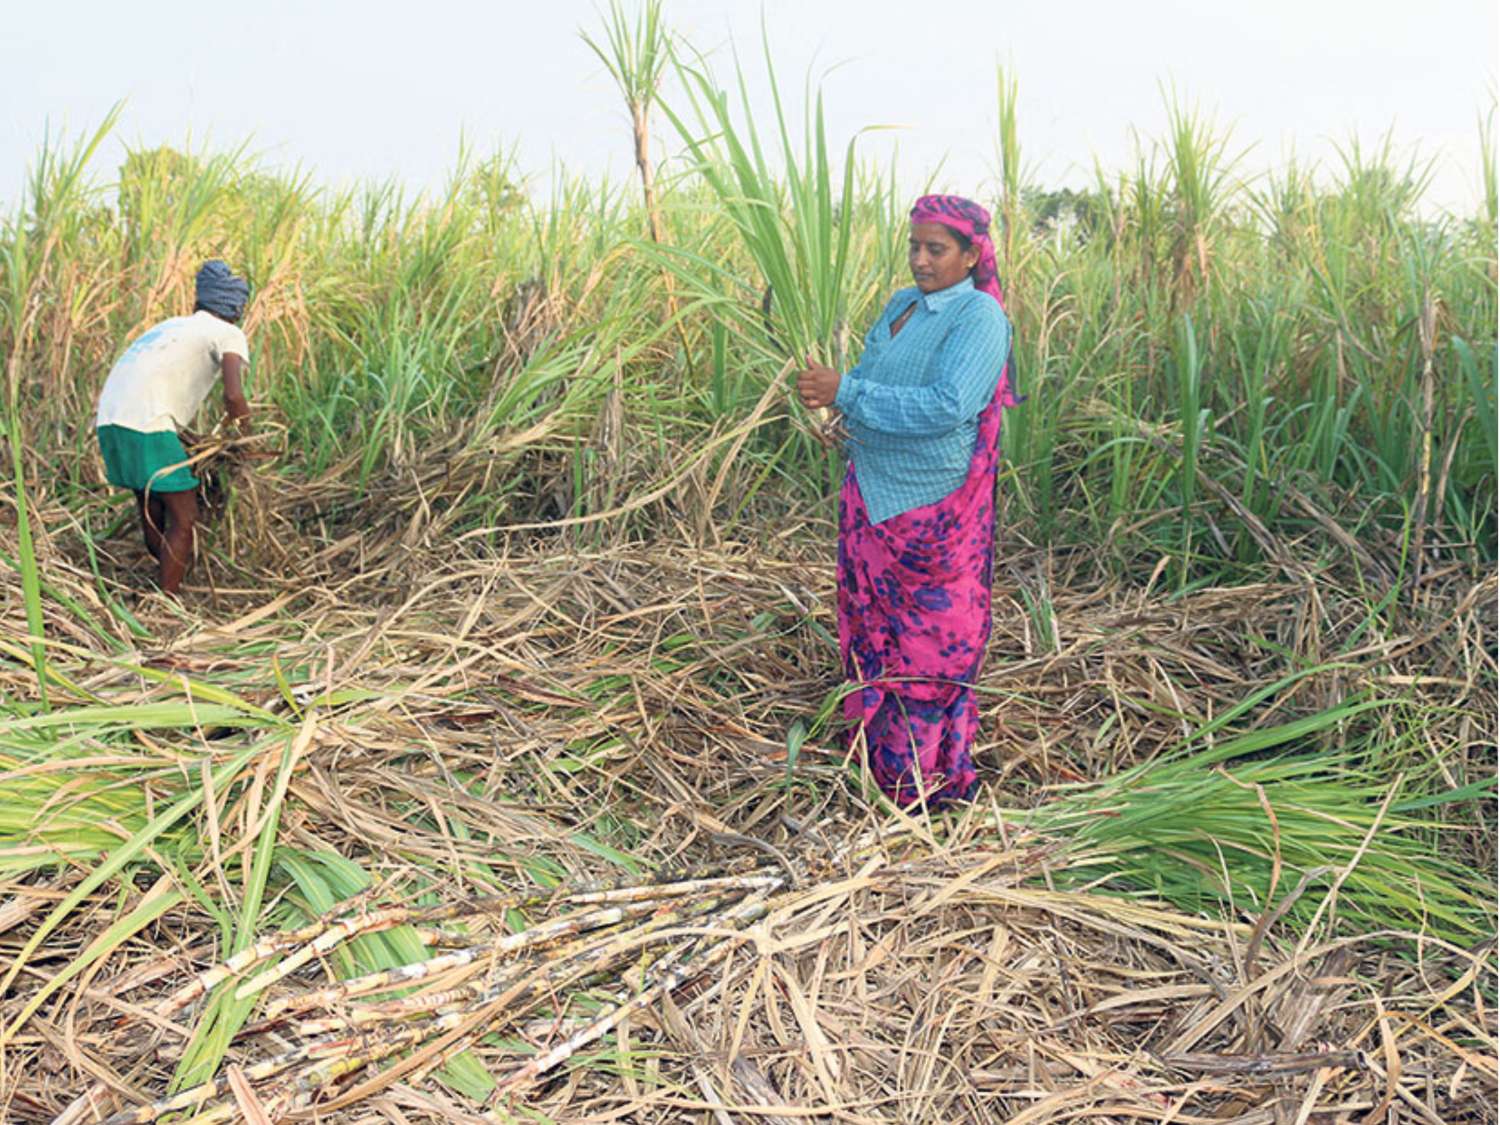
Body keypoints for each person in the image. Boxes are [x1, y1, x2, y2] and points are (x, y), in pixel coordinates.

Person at [796, 195, 1017, 808]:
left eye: (936, 249)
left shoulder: (979, 318)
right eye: (914, 245)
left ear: (972, 255)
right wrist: (839, 405)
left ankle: (920, 786)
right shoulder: (901, 306)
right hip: (871, 491)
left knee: (927, 646)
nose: (920, 259)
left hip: (931, 509)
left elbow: (950, 405)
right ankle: (872, 761)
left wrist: (847, 391)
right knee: (873, 628)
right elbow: (875, 382)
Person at [95, 260, 252, 595]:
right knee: (184, 515)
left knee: (150, 501)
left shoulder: (171, 327)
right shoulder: (229, 333)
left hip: (110, 420)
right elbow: (234, 395)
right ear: (235, 308)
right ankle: (167, 600)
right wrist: (246, 438)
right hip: (147, 423)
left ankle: (167, 576)